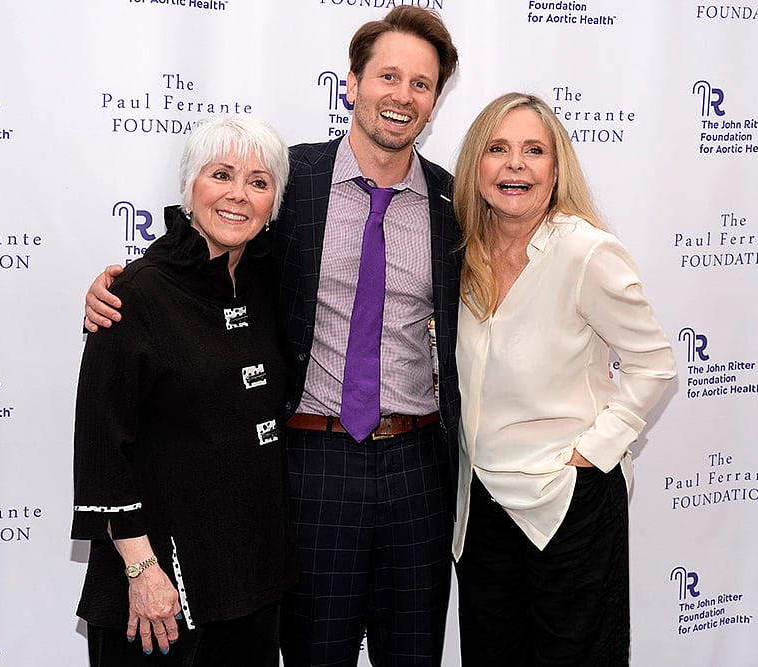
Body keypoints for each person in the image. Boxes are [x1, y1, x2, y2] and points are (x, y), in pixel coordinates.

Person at [83, 7, 461, 666]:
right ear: (352, 83)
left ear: (434, 103)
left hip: (418, 466)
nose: (402, 95)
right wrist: (121, 285)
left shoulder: (451, 205)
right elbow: (208, 253)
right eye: (388, 76)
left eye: (421, 84)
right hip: (312, 464)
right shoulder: (291, 183)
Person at [450, 92, 677, 666]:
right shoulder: (460, 253)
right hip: (479, 509)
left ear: (556, 169)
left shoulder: (585, 252)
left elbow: (654, 364)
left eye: (534, 150)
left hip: (566, 500)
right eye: (497, 149)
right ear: (476, 166)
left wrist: (592, 452)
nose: (515, 164)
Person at [71, 115, 300, 667]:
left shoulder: (271, 281)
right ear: (189, 185)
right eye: (221, 175)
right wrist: (142, 571)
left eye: (259, 182)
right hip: (159, 587)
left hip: (251, 575)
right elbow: (103, 449)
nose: (238, 195)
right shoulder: (134, 295)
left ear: (275, 202)